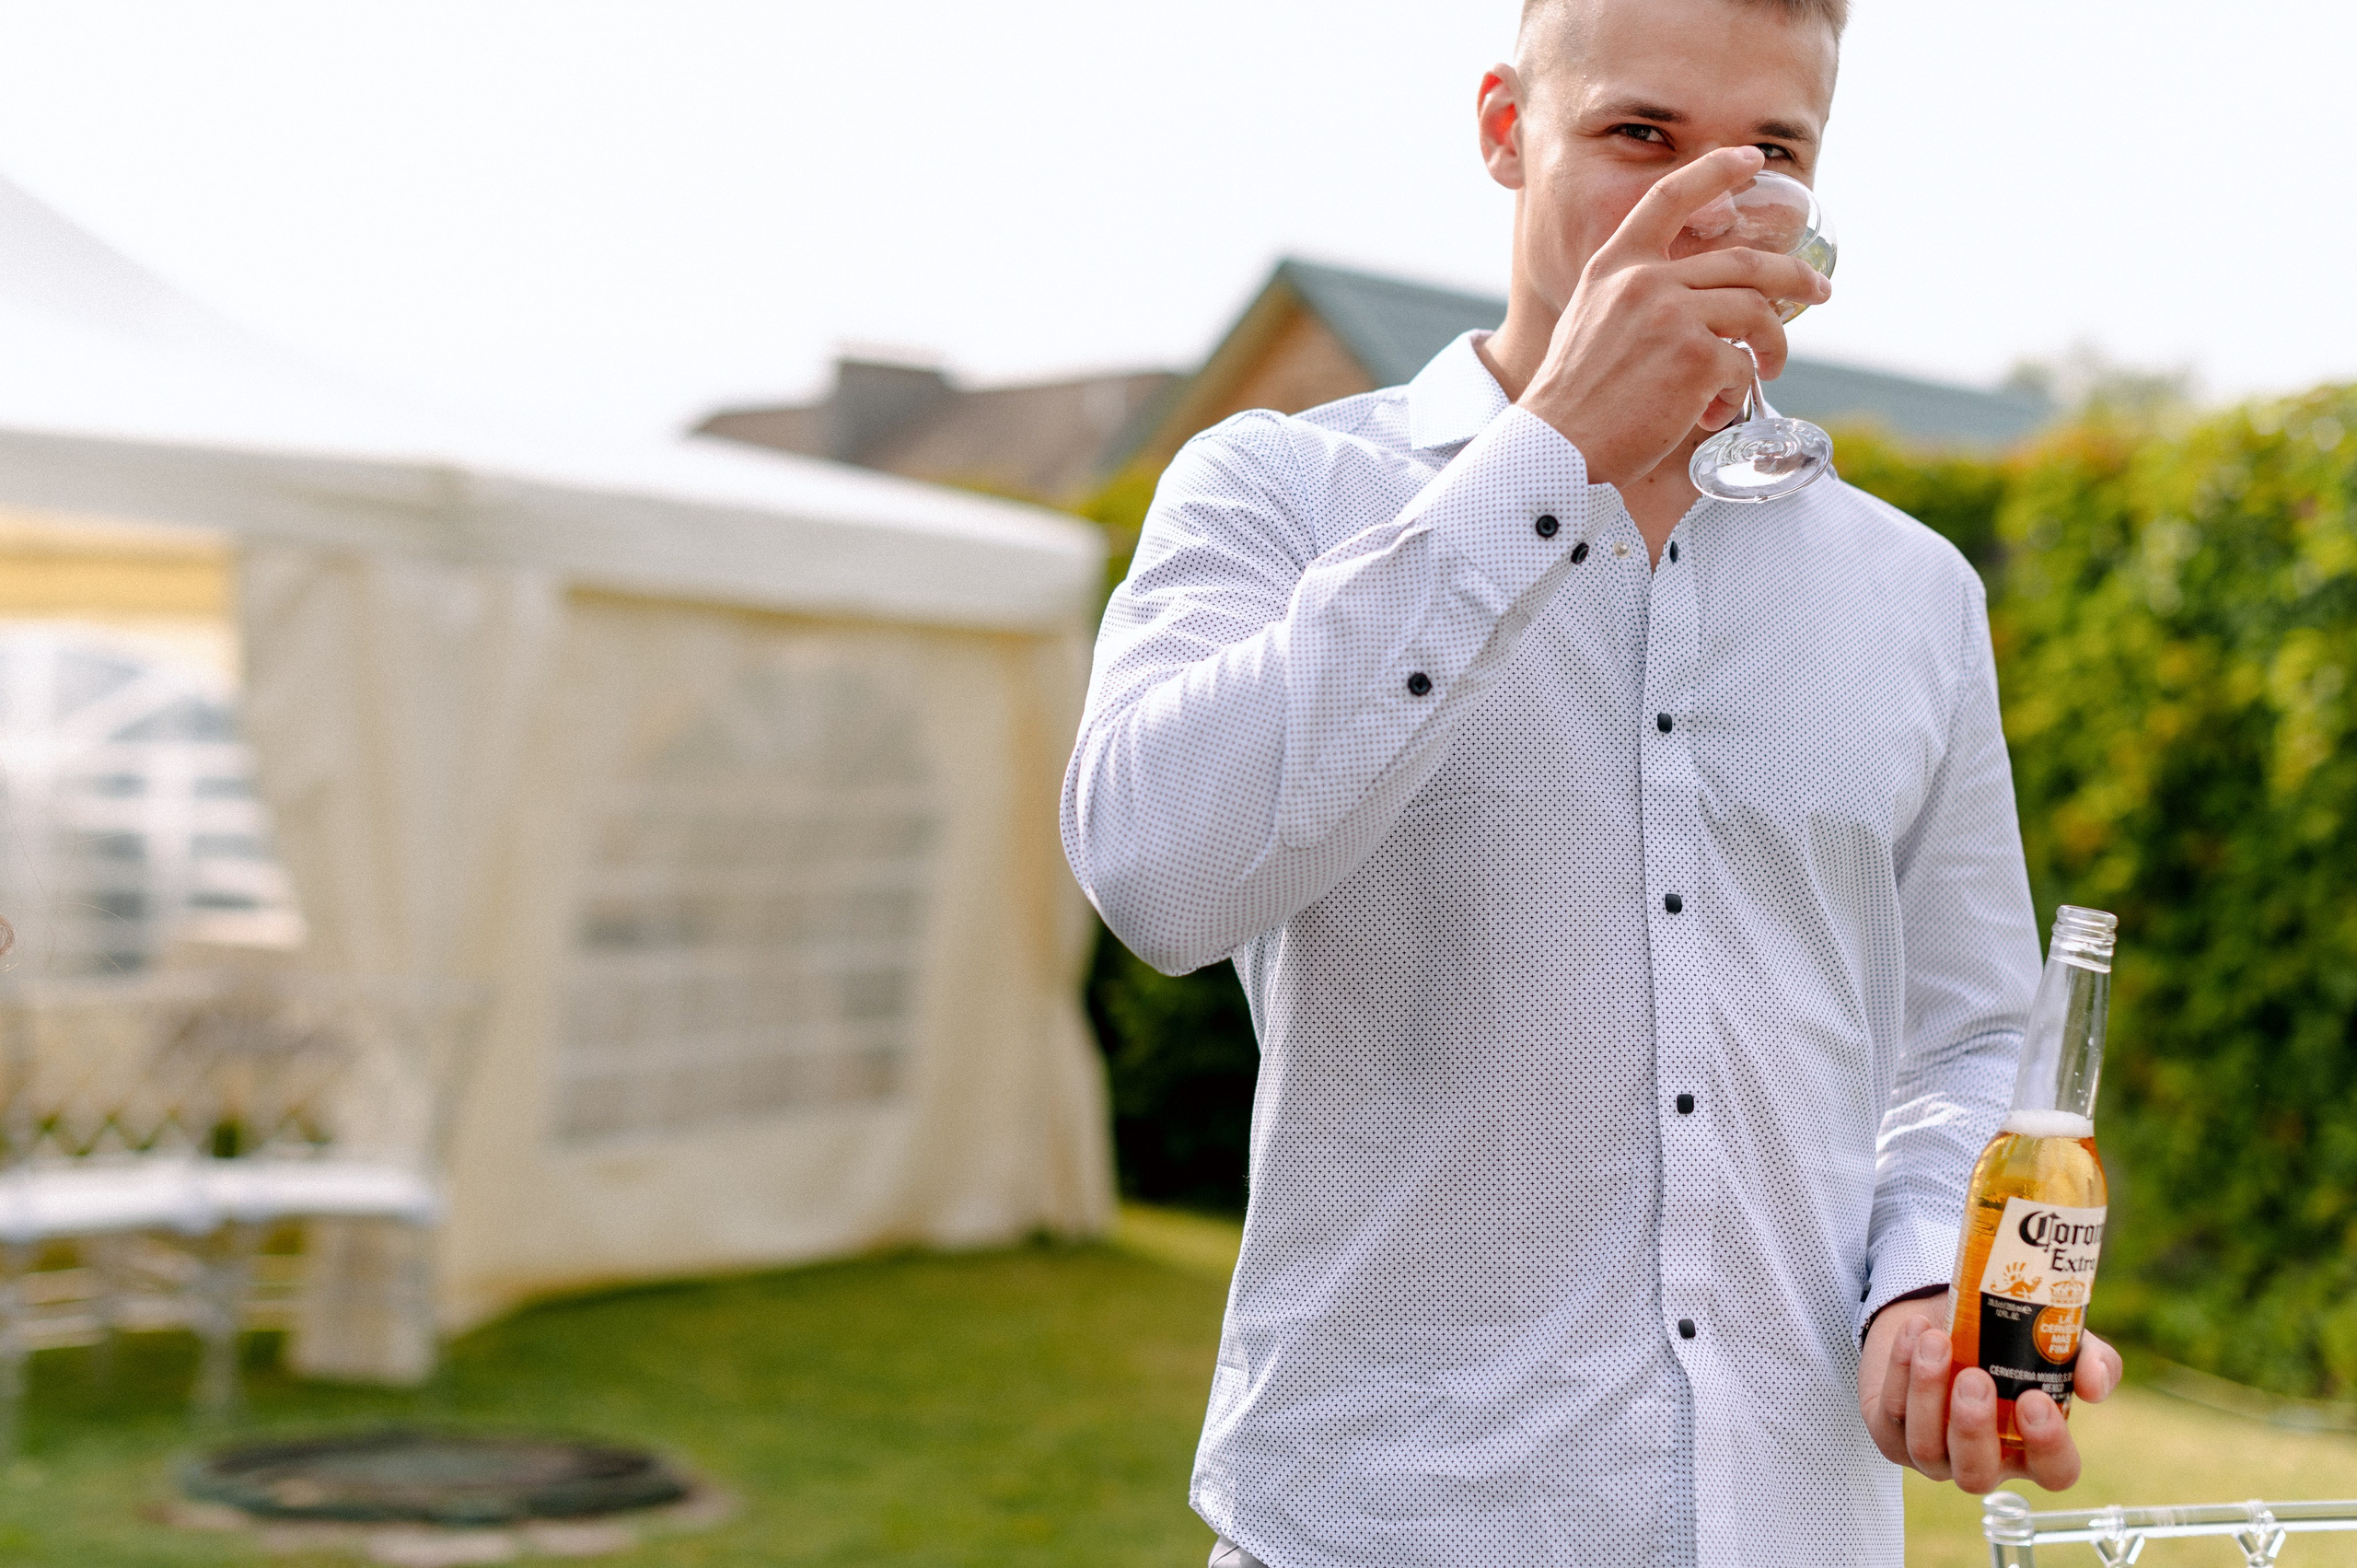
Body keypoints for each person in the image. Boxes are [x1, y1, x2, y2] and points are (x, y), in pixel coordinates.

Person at [1062, 0, 2122, 1562]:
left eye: (1770, 151)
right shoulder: (1278, 490)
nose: (1710, 205)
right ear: (1504, 126)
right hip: (1384, 1528)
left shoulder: (1916, 592)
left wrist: (1920, 1278)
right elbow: (1155, 869)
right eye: (1641, 137)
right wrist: (1552, 451)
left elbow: (1964, 1034)